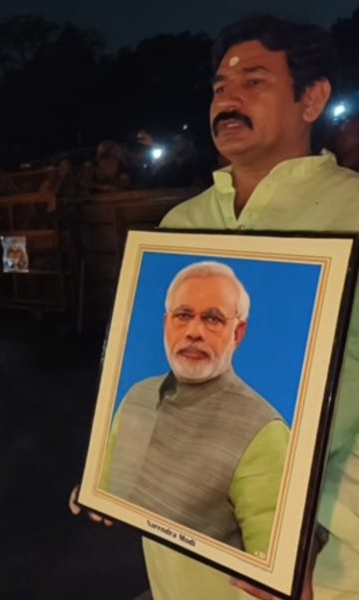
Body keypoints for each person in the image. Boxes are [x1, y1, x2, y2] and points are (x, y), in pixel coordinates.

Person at [73, 15, 359, 600]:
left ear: (312, 99)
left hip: (320, 557)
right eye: (220, 88)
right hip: (177, 560)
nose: (228, 100)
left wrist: (306, 540)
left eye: (253, 82)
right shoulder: (182, 225)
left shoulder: (350, 211)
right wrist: (106, 482)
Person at [103, 261, 289, 555]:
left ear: (238, 333)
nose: (194, 332)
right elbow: (109, 491)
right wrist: (91, 497)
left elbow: (272, 565)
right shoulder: (137, 397)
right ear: (166, 324)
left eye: (213, 319)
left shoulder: (264, 433)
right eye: (183, 315)